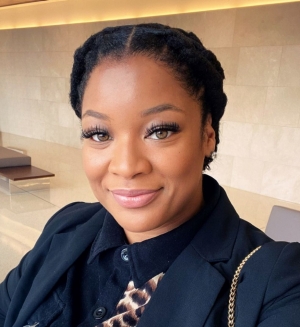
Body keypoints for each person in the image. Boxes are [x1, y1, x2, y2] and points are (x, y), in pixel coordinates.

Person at [0, 23, 300, 327]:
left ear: (208, 134)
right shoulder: (66, 226)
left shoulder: (276, 282)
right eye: (99, 133)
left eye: (160, 131)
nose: (127, 166)